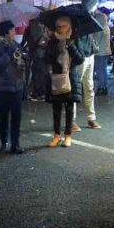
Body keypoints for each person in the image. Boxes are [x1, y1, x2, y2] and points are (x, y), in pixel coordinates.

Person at [45, 15, 85, 148]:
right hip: (56, 76)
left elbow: (80, 59)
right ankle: (56, 135)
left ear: (69, 27)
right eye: (59, 27)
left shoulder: (74, 39)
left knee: (69, 107)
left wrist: (70, 46)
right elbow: (47, 58)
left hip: (70, 76)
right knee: (56, 108)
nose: (61, 29)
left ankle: (68, 135)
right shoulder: (52, 41)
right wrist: (56, 50)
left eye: (64, 26)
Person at [0, 20, 27, 153]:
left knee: (16, 117)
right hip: (2, 87)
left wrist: (24, 58)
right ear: (6, 32)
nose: (15, 32)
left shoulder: (16, 45)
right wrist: (8, 55)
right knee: (3, 116)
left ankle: (15, 144)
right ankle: (4, 142)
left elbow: (21, 61)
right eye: (12, 30)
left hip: (17, 86)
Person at [76, 0, 101, 130]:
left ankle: (91, 118)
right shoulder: (81, 18)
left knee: (89, 88)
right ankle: (72, 119)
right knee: (76, 87)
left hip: (89, 56)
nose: (97, 7)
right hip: (81, 57)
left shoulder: (91, 17)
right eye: (96, 4)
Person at [25, 17, 50, 101]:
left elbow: (26, 39)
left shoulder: (31, 26)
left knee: (36, 73)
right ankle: (40, 92)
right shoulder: (37, 25)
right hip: (40, 53)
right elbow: (39, 40)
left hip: (35, 53)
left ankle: (36, 91)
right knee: (41, 73)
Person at [93, 8, 112, 97]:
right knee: (104, 70)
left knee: (99, 70)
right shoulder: (106, 27)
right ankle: (104, 87)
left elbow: (96, 41)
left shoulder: (99, 29)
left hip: (100, 52)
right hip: (106, 52)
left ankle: (101, 87)